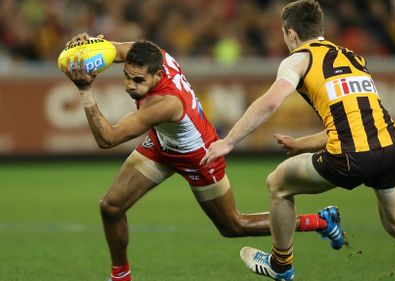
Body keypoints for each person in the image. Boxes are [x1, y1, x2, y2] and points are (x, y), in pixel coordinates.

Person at [200, 1, 395, 281]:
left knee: (278, 184)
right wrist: (301, 144)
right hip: (389, 148)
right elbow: (351, 121)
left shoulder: (299, 58)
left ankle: (281, 265)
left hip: (350, 156)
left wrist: (230, 140)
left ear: (291, 33)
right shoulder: (352, 58)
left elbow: (271, 101)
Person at [61, 33, 345, 281]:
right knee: (111, 207)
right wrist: (92, 46)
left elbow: (107, 139)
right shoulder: (153, 56)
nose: (130, 86)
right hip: (163, 143)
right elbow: (117, 50)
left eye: (138, 80)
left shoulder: (166, 103)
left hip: (199, 156)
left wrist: (85, 90)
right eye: (127, 77)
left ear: (158, 77)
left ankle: (321, 221)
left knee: (233, 226)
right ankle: (120, 276)